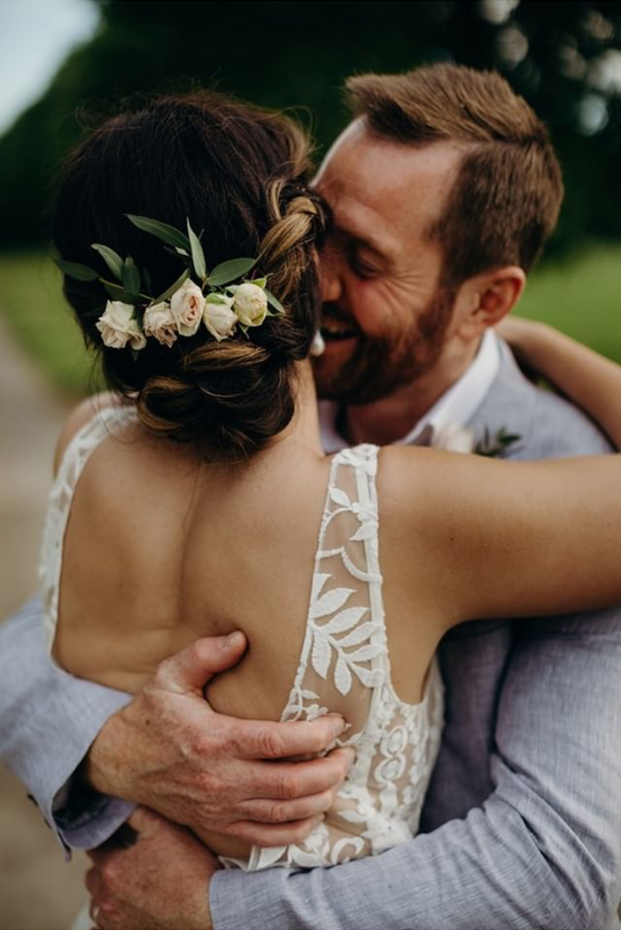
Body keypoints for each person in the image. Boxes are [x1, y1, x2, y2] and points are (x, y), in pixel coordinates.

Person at [1, 64, 620, 930]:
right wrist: (105, 748)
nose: (310, 279)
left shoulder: (560, 463)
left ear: (488, 300)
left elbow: (558, 863)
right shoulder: (225, 400)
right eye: (311, 229)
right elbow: (24, 640)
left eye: (361, 259)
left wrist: (213, 910)